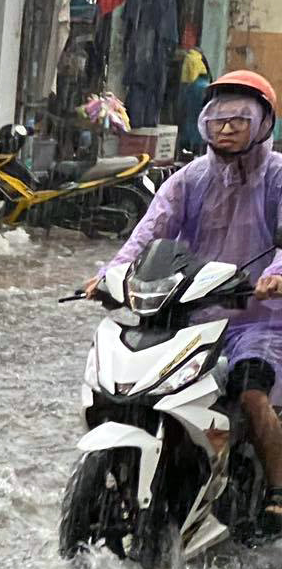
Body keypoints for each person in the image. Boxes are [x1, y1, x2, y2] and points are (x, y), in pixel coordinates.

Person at [90, 70, 282, 526]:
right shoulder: (190, 179)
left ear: (263, 125)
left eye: (240, 119)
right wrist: (108, 275)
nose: (228, 128)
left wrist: (275, 275)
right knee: (141, 388)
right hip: (191, 315)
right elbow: (148, 233)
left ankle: (278, 488)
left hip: (259, 321)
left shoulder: (278, 177)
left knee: (253, 394)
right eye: (218, 119)